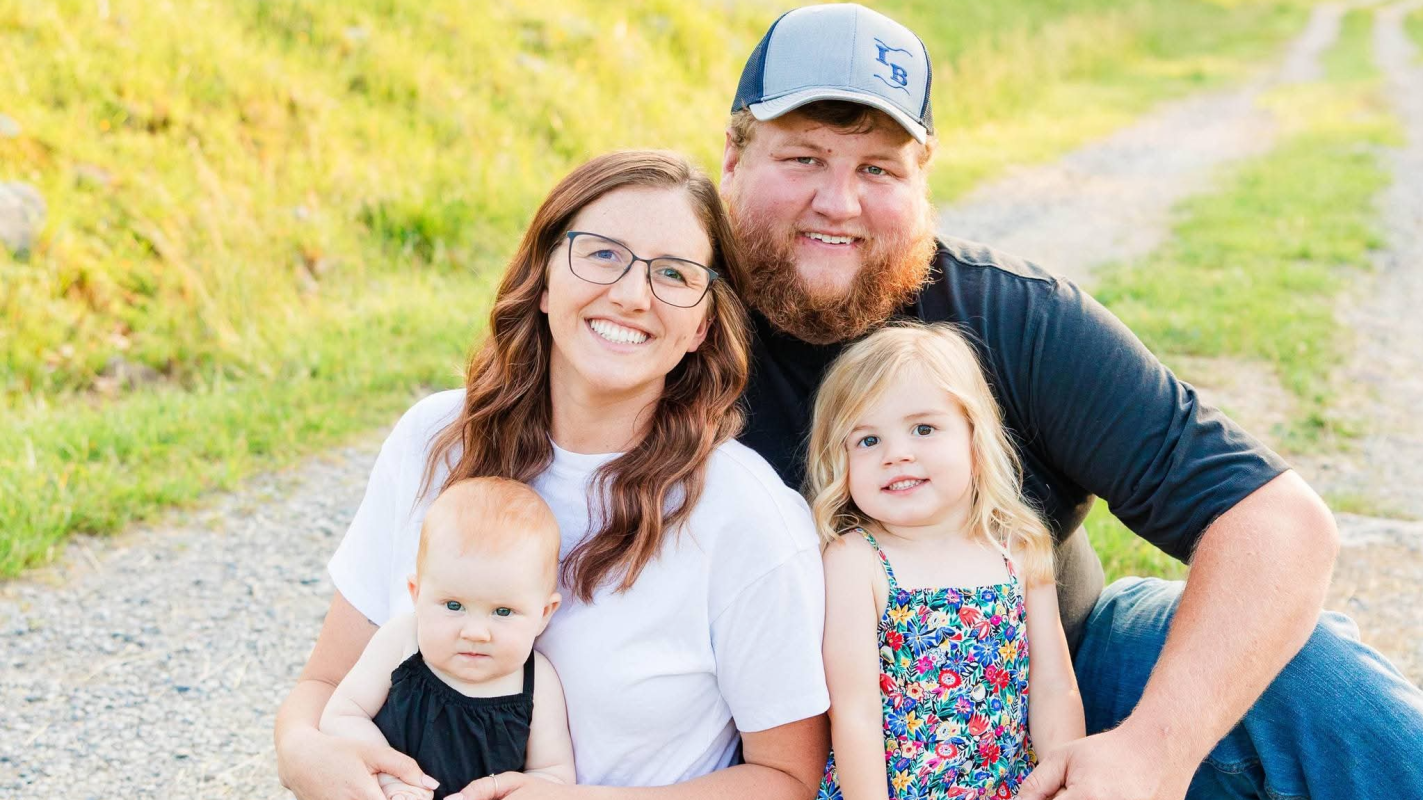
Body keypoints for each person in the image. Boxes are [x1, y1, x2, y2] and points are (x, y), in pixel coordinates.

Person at [720, 4, 1423, 799]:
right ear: (733, 159)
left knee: (1310, 675)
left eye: (877, 168)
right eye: (804, 158)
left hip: (1050, 677)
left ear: (922, 180)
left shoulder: (1012, 318)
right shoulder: (664, 321)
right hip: (755, 744)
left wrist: (1152, 750)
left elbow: (1277, 523)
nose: (838, 202)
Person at [276, 150, 831, 800]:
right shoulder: (433, 440)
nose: (629, 294)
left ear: (702, 324)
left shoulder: (744, 512)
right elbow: (323, 685)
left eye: (673, 274)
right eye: (601, 254)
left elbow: (785, 779)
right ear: (543, 280)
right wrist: (302, 754)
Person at [807, 324, 1084, 799]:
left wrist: (1064, 782)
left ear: (975, 442)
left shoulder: (1017, 550)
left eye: (924, 429)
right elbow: (854, 711)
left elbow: (1054, 686)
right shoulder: (857, 559)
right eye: (868, 441)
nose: (897, 454)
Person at [318, 477, 574, 800]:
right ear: (417, 594)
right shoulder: (401, 642)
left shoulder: (537, 683)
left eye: (503, 612)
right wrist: (390, 777)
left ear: (544, 613)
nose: (476, 633)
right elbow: (342, 715)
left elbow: (554, 776)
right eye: (454, 606)